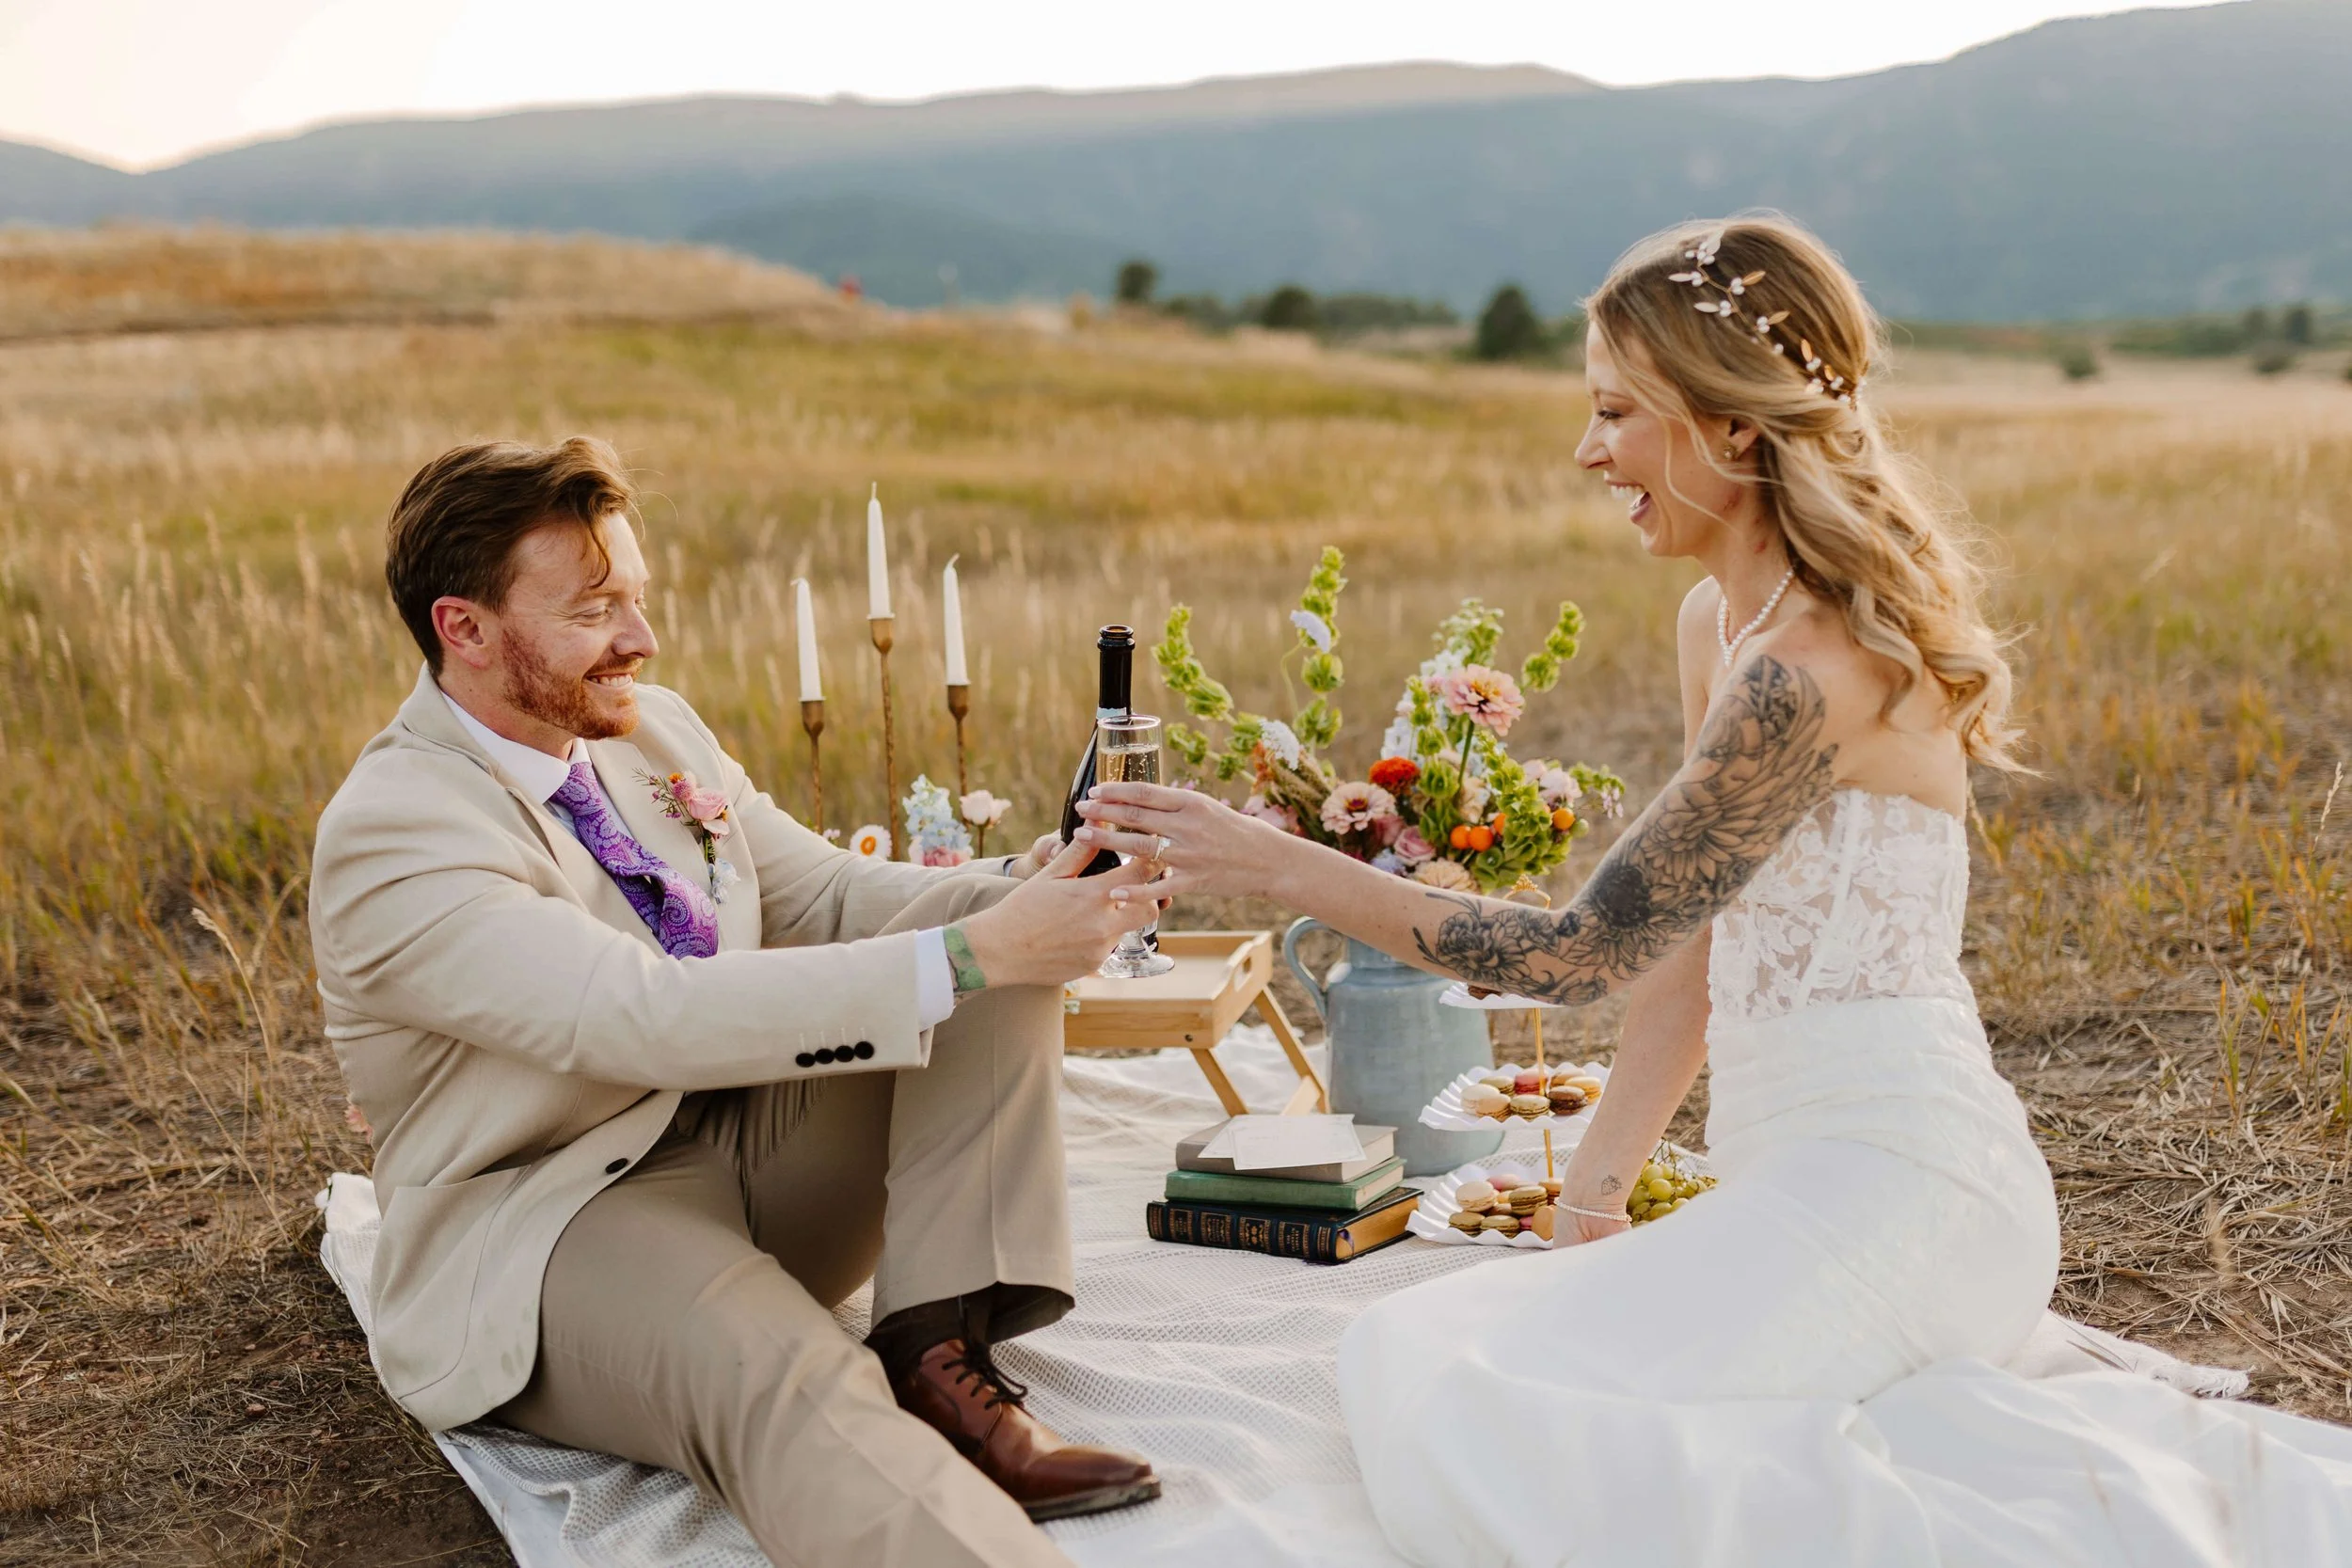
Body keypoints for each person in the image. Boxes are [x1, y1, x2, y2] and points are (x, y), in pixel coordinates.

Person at [1075, 216, 2352, 1564]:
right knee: (1443, 1356)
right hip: (1789, 1177)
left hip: (1912, 1189)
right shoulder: (1719, 628)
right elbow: (1688, 958)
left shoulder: (1810, 667)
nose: (1588, 451)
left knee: (1445, 1381)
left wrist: (1276, 864)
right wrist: (1594, 1198)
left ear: (1735, 433)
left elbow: (1584, 953)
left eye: (1619, 411)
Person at [310, 437, 1160, 1568]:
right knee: (794, 1381)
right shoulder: (396, 829)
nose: (641, 639)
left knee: (989, 962)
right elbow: (632, 1011)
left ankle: (938, 1355)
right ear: (461, 627)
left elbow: (824, 892)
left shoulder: (651, 728)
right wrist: (971, 949)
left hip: (749, 1157)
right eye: (595, 609)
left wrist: (1030, 885)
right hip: (551, 1223)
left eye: (639, 599)